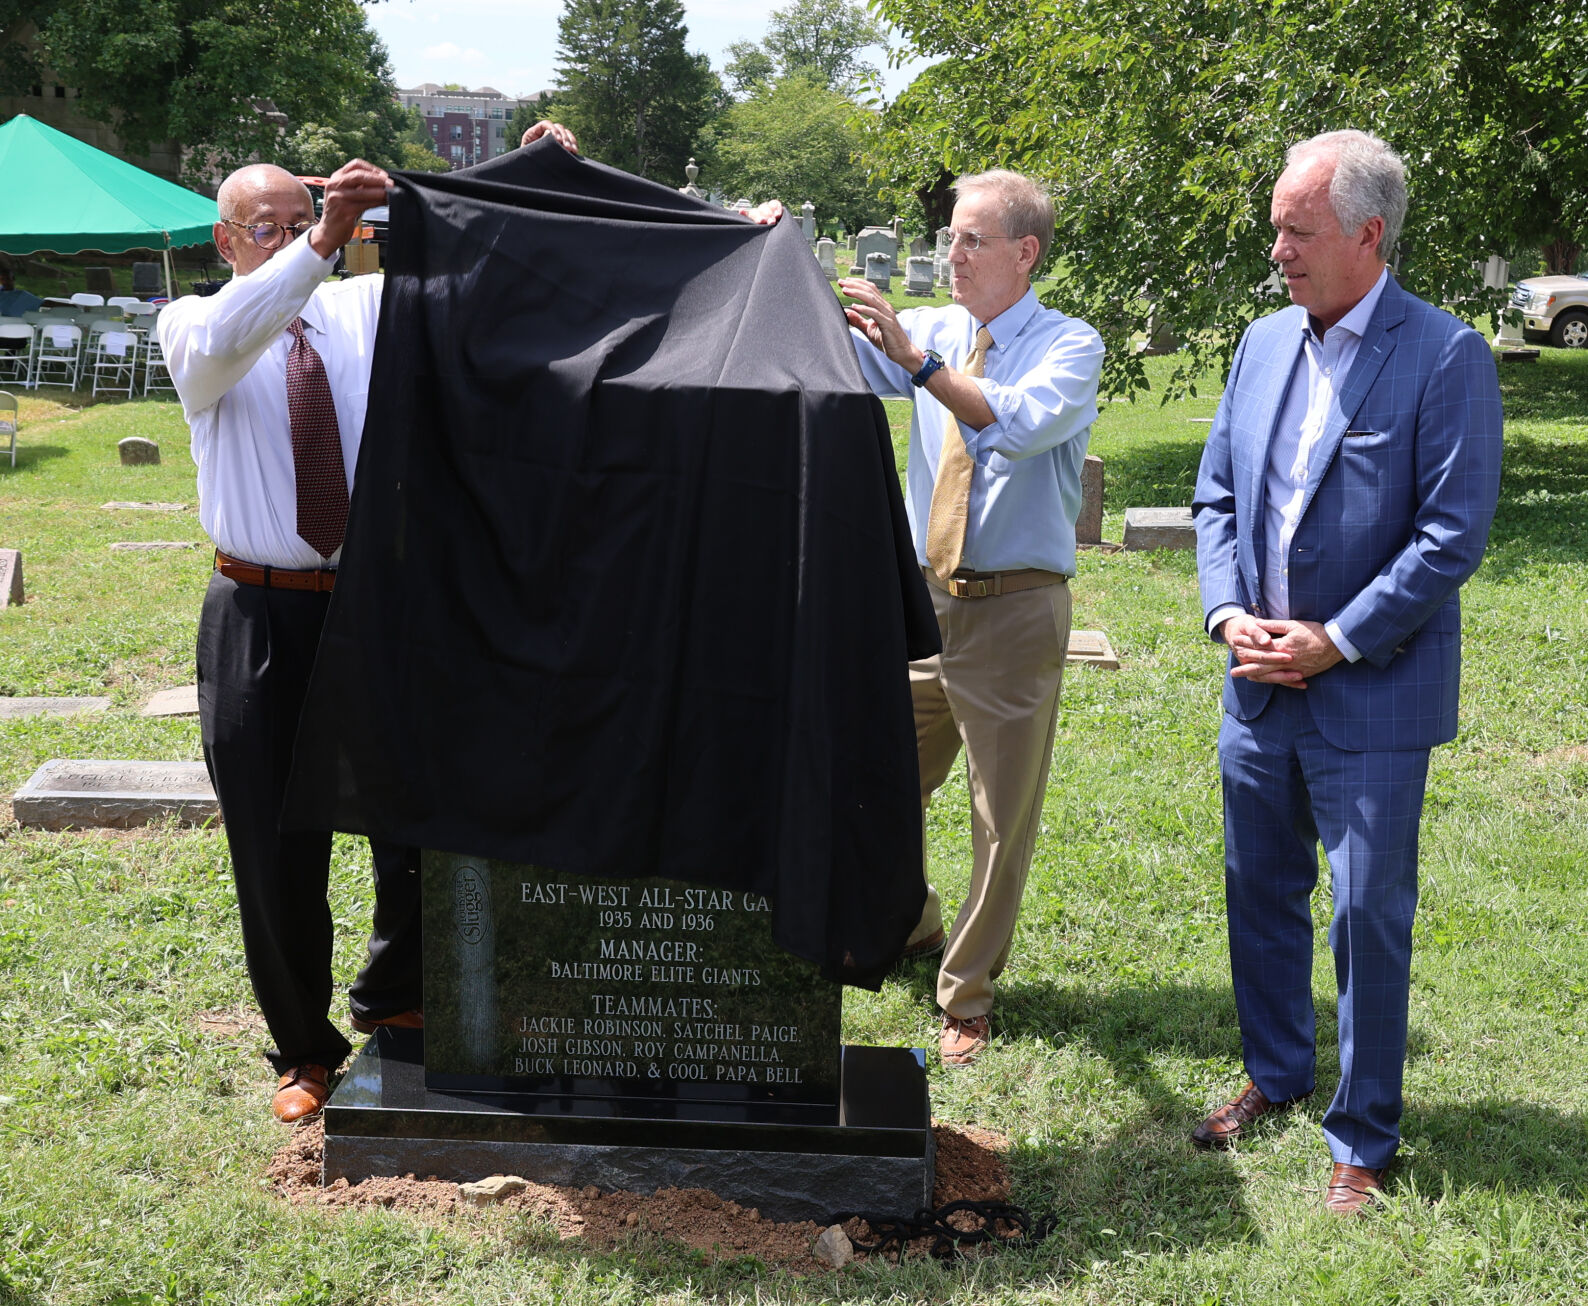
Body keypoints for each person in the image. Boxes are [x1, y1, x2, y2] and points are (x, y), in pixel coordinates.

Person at [160, 122, 580, 1123]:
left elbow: (482, 280)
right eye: (265, 226)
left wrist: (530, 180)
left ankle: (395, 995)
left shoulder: (361, 308)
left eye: (301, 221)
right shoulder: (193, 322)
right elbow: (225, 345)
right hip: (258, 607)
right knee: (275, 844)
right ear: (226, 239)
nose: (287, 237)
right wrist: (319, 242)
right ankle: (303, 1050)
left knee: (415, 811)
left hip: (376, 604)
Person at [1191, 130, 1502, 1213]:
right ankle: (1276, 1074)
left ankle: (1363, 1136)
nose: (1276, 249)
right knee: (1258, 889)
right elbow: (1217, 496)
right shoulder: (1260, 342)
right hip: (1257, 681)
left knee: (1367, 913)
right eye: (1275, 228)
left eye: (1297, 230)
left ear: (1368, 235)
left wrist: (1337, 638)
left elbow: (1451, 534)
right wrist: (1229, 613)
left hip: (1371, 689)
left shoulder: (1446, 355)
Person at [839, 170, 1103, 1067]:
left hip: (1013, 610)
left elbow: (1012, 425)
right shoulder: (941, 329)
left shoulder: (1070, 345)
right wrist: (770, 245)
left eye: (971, 240)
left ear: (1025, 253)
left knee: (999, 818)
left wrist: (919, 362)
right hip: (920, 603)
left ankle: (967, 994)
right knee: (877, 778)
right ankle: (913, 923)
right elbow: (832, 349)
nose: (951, 253)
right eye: (950, 236)